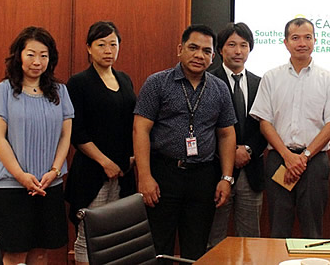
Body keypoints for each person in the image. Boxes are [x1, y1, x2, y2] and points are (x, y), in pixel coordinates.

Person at [133, 24, 236, 262]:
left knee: (196, 248)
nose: (199, 55)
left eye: (206, 51)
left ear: (213, 56)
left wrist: (226, 178)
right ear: (180, 49)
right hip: (163, 174)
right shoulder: (157, 83)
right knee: (159, 247)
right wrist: (145, 176)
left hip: (203, 177)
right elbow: (141, 129)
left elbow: (227, 134)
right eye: (193, 48)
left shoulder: (219, 88)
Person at [0, 27, 73, 265]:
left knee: (41, 252)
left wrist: (54, 172)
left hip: (48, 184)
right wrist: (21, 176)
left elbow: (65, 137)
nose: (37, 61)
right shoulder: (2, 91)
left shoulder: (60, 91)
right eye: (31, 54)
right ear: (19, 56)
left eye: (44, 55)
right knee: (13, 255)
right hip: (11, 187)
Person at [250, 17, 330, 239]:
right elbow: (264, 122)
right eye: (295, 38)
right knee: (278, 228)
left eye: (307, 37)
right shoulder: (271, 77)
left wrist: (304, 156)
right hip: (278, 160)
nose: (301, 43)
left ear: (315, 41)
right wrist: (287, 156)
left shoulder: (329, 79)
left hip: (315, 162)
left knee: (313, 229)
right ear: (285, 42)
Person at [64, 21, 136, 265]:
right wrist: (105, 162)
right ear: (88, 48)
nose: (108, 50)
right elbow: (77, 132)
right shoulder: (79, 82)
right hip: (92, 171)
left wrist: (132, 157)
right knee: (88, 234)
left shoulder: (125, 80)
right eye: (101, 44)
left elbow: (131, 124)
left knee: (116, 235)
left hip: (123, 172)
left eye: (113, 44)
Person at [207, 22, 268, 248]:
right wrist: (230, 152)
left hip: (251, 171)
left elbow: (266, 125)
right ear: (220, 49)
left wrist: (248, 150)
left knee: (251, 242)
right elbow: (205, 126)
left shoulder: (261, 83)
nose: (238, 51)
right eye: (232, 45)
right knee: (214, 238)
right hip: (216, 171)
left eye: (244, 45)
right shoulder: (207, 81)